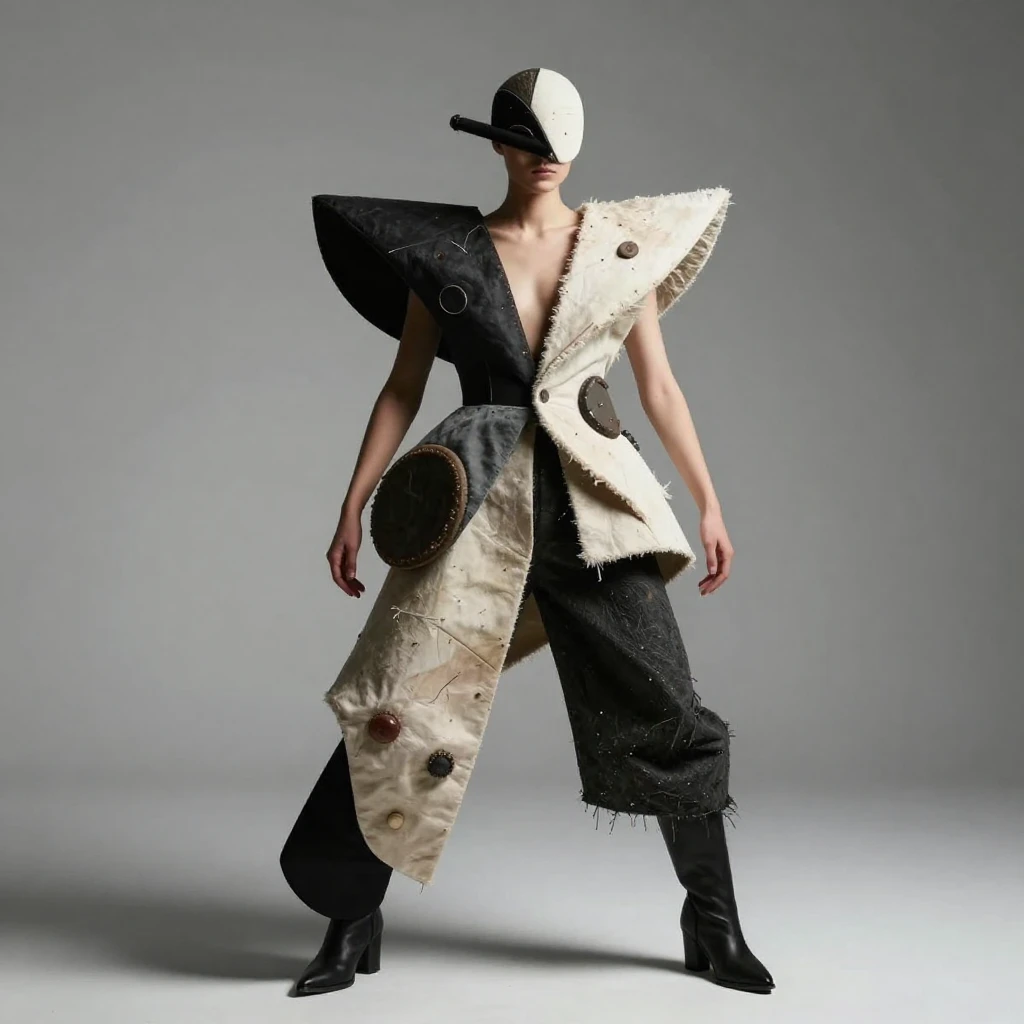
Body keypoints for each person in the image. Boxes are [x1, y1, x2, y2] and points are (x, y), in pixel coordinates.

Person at [279, 67, 774, 997]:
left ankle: (713, 921)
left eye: (557, 144)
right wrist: (352, 502)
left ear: (577, 149)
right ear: (498, 146)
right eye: (524, 141)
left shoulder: (621, 251)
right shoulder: (449, 255)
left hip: (598, 509)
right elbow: (403, 386)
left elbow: (659, 387)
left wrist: (708, 502)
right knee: (400, 700)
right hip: (470, 502)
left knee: (666, 706)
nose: (543, 160)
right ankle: (351, 919)